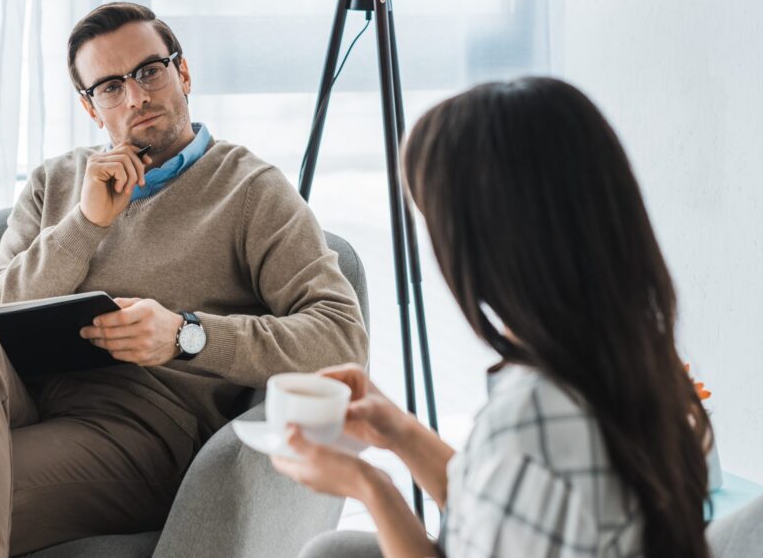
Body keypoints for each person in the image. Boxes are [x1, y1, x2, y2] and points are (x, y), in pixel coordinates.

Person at [0, 2, 369, 557]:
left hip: (139, 433)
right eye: (110, 87)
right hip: (21, 402)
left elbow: (342, 337)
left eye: (150, 71)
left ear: (183, 73)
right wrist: (85, 225)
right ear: (90, 106)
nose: (136, 97)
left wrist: (186, 334)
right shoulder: (57, 182)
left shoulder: (251, 190)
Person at [272, 77, 712, 558]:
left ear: (491, 245)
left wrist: (370, 486)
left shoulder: (531, 422)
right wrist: (398, 431)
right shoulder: (628, 359)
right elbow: (504, 511)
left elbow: (517, 481)